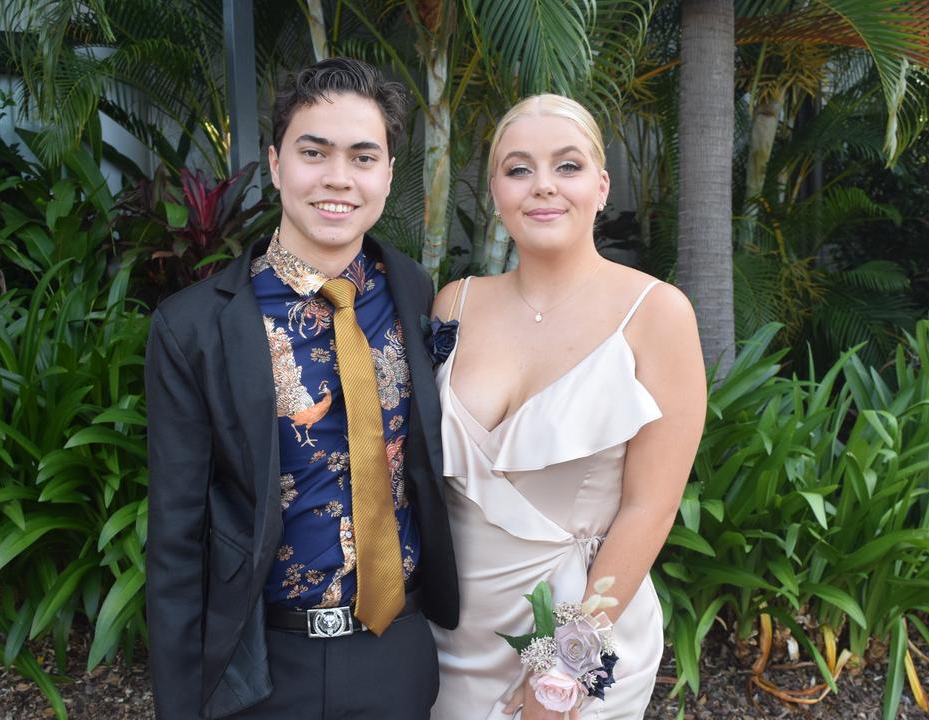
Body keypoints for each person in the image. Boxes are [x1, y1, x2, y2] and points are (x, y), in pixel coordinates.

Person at [145, 57, 458, 720]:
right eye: (314, 152)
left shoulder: (415, 293)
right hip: (263, 667)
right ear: (277, 162)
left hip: (398, 651)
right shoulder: (195, 327)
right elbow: (176, 539)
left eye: (363, 156)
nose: (338, 178)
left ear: (388, 174)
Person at [429, 94, 707, 719]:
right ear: (495, 190)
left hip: (583, 623)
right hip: (450, 635)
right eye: (518, 168)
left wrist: (567, 668)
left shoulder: (657, 314)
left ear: (602, 186)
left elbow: (651, 507)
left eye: (568, 166)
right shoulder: (455, 304)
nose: (542, 187)